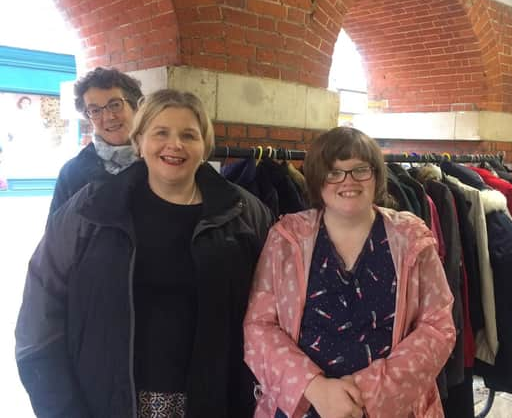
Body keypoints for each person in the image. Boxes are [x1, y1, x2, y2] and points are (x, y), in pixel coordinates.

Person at [16, 89, 273, 417]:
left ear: (205, 145)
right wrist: (59, 405)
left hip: (214, 402)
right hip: (103, 401)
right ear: (139, 140)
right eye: (161, 132)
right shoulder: (90, 210)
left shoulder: (245, 215)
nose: (174, 144)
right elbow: (40, 312)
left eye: (189, 135)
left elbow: (274, 313)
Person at [244, 127, 456, 418]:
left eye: (360, 170)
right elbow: (259, 327)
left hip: (392, 408)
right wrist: (315, 389)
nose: (348, 181)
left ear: (377, 176)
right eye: (334, 172)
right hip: (304, 406)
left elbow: (438, 327)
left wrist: (368, 391)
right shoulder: (286, 238)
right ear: (318, 180)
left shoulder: (411, 238)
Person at [48, 67, 143, 217]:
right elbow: (56, 236)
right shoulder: (72, 173)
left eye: (115, 105)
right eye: (95, 111)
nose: (108, 117)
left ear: (136, 107)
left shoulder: (160, 163)